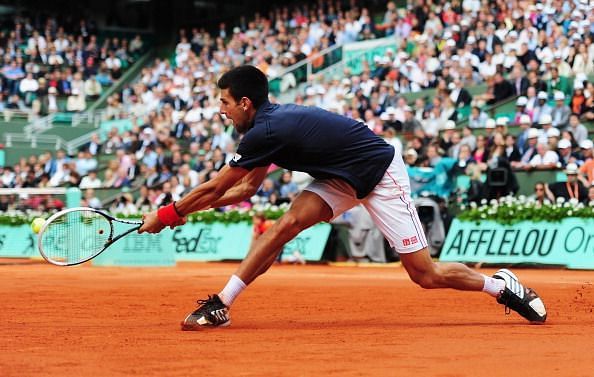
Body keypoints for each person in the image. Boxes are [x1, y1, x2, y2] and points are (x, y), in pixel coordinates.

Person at [138, 66, 547, 329]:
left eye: (225, 103)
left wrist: (168, 213)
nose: (221, 111)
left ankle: (499, 285)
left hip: (379, 172)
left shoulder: (264, 131)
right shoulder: (263, 129)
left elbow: (218, 187)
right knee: (286, 225)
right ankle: (221, 303)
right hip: (338, 177)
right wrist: (187, 211)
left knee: (425, 276)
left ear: (245, 103)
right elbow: (245, 188)